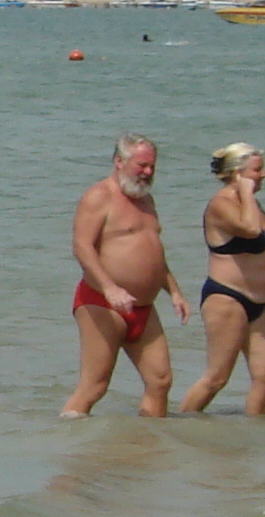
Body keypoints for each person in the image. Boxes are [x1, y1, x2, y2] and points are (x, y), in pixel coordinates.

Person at [61, 133, 190, 417]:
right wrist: (109, 288)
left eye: (152, 167)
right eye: (141, 165)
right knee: (94, 387)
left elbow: (153, 253)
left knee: (160, 381)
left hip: (143, 307)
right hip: (102, 303)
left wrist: (176, 292)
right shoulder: (99, 196)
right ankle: (70, 449)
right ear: (119, 161)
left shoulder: (146, 201)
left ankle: (147, 448)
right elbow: (81, 247)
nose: (148, 173)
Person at [180, 143, 265, 416]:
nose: (264, 175)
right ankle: (178, 427)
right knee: (217, 378)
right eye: (257, 170)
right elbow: (250, 230)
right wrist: (246, 191)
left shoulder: (252, 203)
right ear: (237, 173)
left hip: (260, 300)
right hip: (227, 297)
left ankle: (255, 437)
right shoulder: (221, 205)